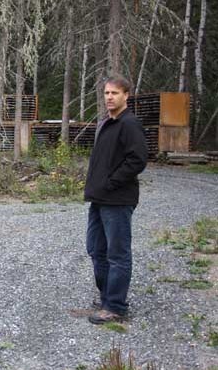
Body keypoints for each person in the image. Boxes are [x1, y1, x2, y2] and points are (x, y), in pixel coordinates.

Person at [84, 76, 148, 324]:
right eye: (107, 93)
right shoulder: (106, 123)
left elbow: (137, 160)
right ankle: (107, 297)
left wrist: (111, 183)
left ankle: (116, 307)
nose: (109, 97)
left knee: (117, 254)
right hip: (99, 199)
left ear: (126, 96)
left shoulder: (129, 124)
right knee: (96, 249)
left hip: (118, 200)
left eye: (115, 93)